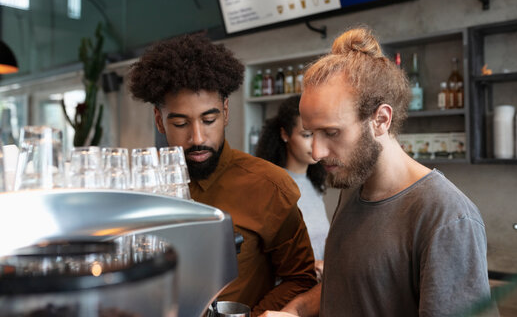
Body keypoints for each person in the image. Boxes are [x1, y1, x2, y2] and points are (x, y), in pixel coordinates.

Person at [262, 27, 493, 316]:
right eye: (310, 133)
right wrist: (294, 312)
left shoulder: (445, 216)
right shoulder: (353, 191)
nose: (317, 152)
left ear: (380, 120)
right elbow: (347, 286)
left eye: (331, 132)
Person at [127, 33, 317, 316]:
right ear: (159, 120)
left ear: (226, 113)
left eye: (209, 120)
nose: (197, 137)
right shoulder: (139, 184)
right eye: (180, 123)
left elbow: (300, 279)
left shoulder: (269, 186)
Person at [256, 95, 330, 281]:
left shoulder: (314, 184)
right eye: (306, 135)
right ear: (284, 135)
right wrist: (309, 267)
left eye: (319, 133)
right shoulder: (274, 187)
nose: (315, 143)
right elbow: (265, 259)